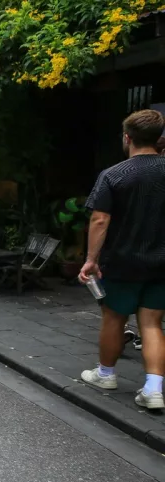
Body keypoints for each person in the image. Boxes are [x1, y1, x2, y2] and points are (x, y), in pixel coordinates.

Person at [79, 109, 165, 411]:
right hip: (160, 262)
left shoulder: (115, 174)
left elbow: (100, 219)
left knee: (114, 318)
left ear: (127, 137)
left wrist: (91, 259)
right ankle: (154, 389)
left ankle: (106, 374)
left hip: (121, 260)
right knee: (152, 323)